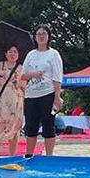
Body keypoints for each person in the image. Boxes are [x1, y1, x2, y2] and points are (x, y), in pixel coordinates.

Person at [21, 25, 63, 156]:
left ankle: (49, 155)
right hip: (31, 95)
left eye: (44, 33)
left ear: (49, 36)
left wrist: (57, 97)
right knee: (31, 126)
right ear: (35, 37)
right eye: (39, 34)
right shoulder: (31, 54)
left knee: (48, 125)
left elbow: (57, 77)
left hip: (47, 93)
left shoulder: (53, 54)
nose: (41, 36)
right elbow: (23, 75)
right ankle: (29, 154)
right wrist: (33, 74)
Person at [0, 44, 25, 158]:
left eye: (15, 52)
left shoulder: (21, 68)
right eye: (10, 51)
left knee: (14, 127)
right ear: (6, 53)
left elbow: (23, 86)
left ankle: (12, 155)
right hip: (1, 99)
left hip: (16, 99)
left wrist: (17, 82)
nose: (13, 54)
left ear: (18, 55)